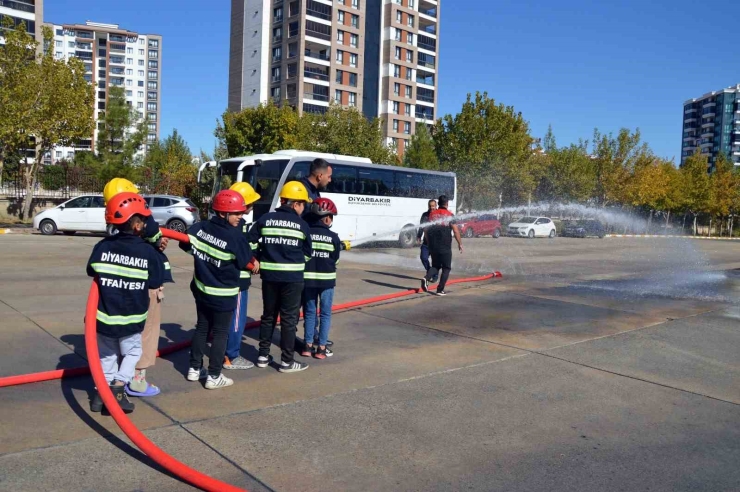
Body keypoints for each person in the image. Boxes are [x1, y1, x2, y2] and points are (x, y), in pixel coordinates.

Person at [87, 192, 163, 414]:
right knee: (131, 354)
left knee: (107, 356)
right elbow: (156, 281)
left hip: (104, 318)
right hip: (132, 320)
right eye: (145, 220)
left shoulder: (102, 247)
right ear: (138, 224)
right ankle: (118, 389)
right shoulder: (148, 252)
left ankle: (100, 395)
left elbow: (91, 269)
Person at [102, 178, 171, 398]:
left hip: (114, 288)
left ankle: (113, 380)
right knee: (145, 333)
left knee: (115, 340)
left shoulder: (109, 237)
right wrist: (158, 243)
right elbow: (155, 239)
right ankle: (136, 381)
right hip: (144, 287)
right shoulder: (142, 219)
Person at [180, 190, 255, 389]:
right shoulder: (235, 237)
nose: (241, 216)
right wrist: (255, 264)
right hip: (223, 294)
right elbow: (245, 262)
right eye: (237, 213)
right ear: (223, 213)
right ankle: (214, 375)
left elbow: (185, 246)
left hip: (200, 289)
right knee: (221, 333)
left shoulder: (199, 228)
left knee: (202, 328)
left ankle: (194, 369)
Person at [249, 181, 312, 373]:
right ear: (295, 204)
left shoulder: (265, 219)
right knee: (288, 319)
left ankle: (262, 356)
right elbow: (308, 253)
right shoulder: (302, 225)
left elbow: (250, 242)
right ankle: (286, 362)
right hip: (292, 279)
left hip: (269, 277)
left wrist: (257, 258)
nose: (304, 208)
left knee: (268, 316)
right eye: (303, 204)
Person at [222, 182, 261, 371]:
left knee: (224, 319)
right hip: (238, 281)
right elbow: (242, 254)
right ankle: (232, 356)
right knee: (237, 319)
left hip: (222, 280)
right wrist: (253, 263)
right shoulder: (239, 228)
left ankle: (225, 352)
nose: (252, 205)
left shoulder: (226, 225)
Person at [300, 198, 342, 359]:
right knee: (325, 314)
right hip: (327, 282)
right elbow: (336, 260)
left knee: (310, 313)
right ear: (326, 218)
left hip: (308, 281)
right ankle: (322, 348)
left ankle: (307, 346)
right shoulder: (333, 237)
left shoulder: (306, 234)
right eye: (332, 216)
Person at [420, 195, 463, 296]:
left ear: (438, 204)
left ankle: (426, 278)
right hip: (445, 246)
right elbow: (456, 231)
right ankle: (440, 290)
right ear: (447, 203)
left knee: (435, 266)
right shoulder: (449, 215)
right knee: (446, 268)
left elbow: (426, 229)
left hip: (433, 245)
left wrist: (429, 242)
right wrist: (460, 244)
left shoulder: (432, 214)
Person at [417, 199, 437, 281]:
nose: (431, 207)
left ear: (436, 206)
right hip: (426, 242)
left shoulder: (439, 215)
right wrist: (419, 236)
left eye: (433, 206)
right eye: (430, 206)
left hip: (436, 243)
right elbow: (422, 226)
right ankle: (430, 272)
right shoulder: (425, 215)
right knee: (423, 258)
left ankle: (434, 276)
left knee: (435, 261)